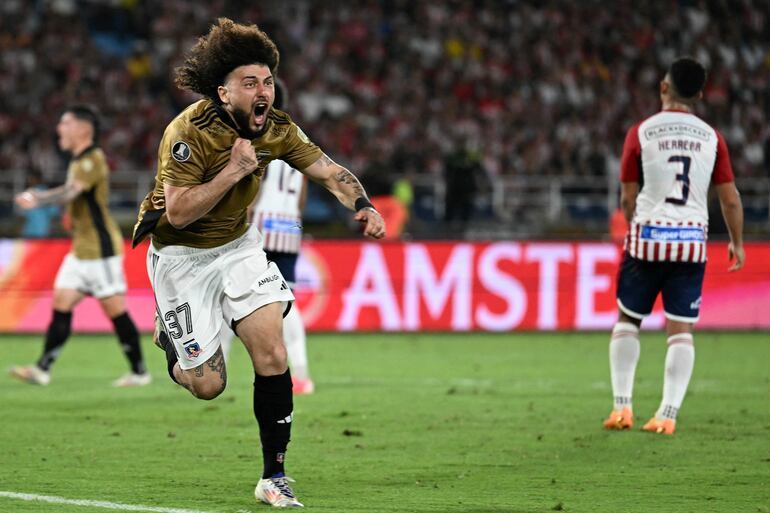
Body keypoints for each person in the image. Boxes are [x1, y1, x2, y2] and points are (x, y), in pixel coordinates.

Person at [132, 19, 385, 507]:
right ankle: (171, 342)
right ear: (223, 92)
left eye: (267, 81)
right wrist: (233, 171)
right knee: (207, 385)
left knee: (272, 353)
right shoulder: (187, 133)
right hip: (181, 259)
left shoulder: (277, 129)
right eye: (250, 83)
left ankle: (275, 475)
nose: (263, 91)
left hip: (240, 248)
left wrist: (363, 205)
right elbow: (178, 213)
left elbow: (329, 171)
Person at [603, 57, 745, 435]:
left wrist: (634, 224)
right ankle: (667, 415)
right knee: (680, 330)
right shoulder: (712, 137)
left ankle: (622, 408)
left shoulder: (641, 132)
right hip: (690, 243)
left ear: (663, 88)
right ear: (699, 95)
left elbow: (627, 196)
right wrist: (736, 242)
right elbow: (730, 199)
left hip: (647, 240)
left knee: (628, 320)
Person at [10, 105, 150, 388]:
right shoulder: (77, 161)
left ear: (83, 129)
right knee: (61, 304)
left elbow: (71, 191)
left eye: (65, 123)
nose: (59, 129)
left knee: (115, 310)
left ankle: (139, 372)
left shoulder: (92, 158)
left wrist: (37, 198)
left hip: (101, 251)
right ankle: (42, 369)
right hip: (79, 251)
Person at [223, 79, 315, 395]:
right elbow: (302, 197)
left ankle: (217, 368)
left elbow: (253, 189)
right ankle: (302, 374)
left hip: (259, 229)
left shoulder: (260, 139)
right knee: (287, 304)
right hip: (289, 229)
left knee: (229, 299)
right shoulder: (299, 141)